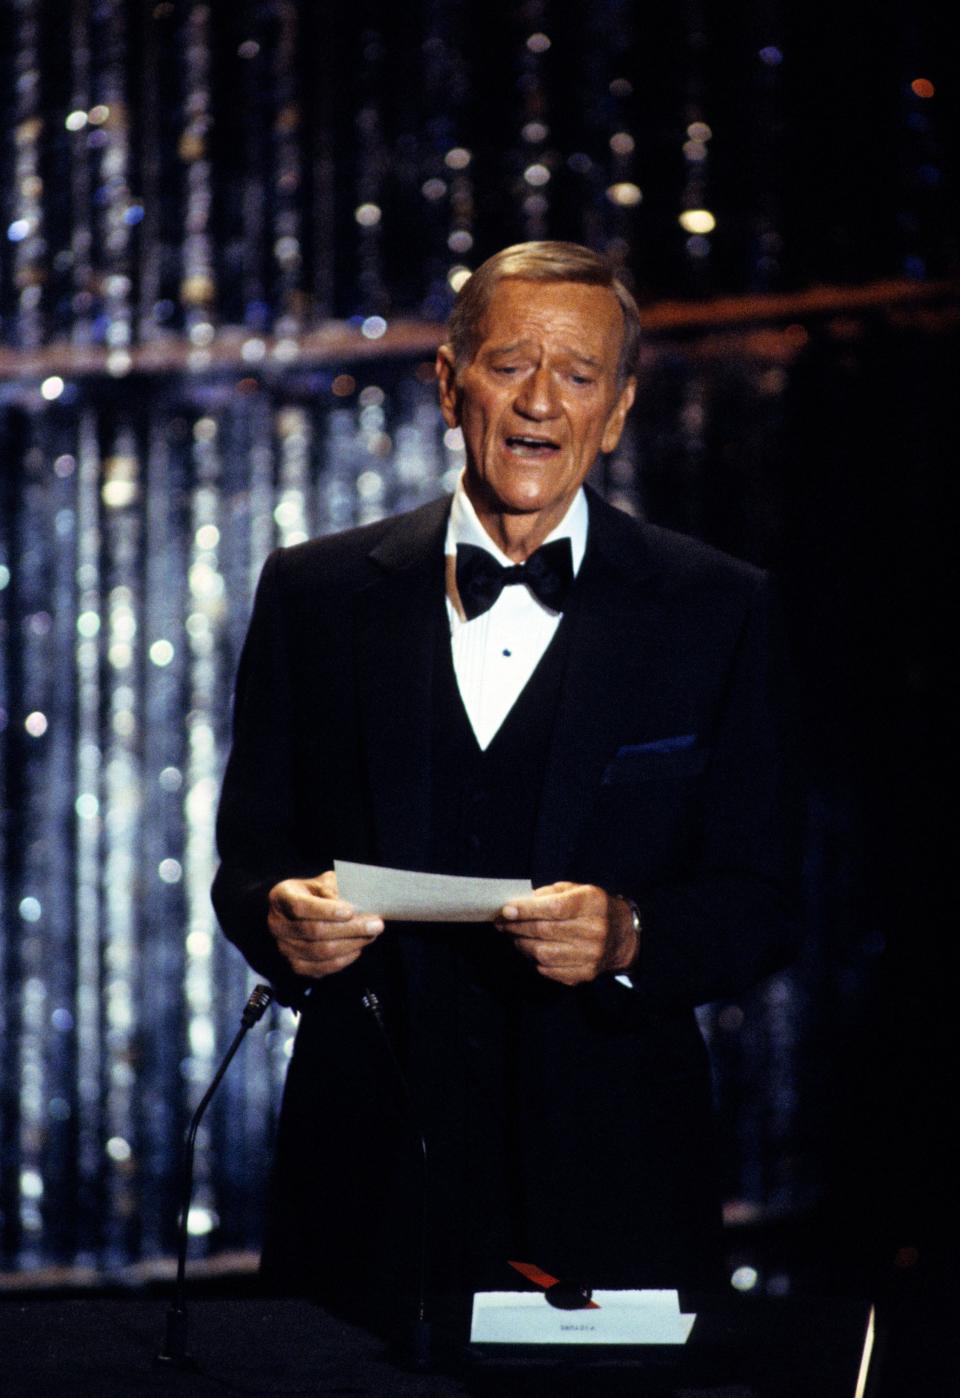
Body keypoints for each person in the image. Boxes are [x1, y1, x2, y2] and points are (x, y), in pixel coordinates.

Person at [212, 240, 799, 1330]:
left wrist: (630, 935)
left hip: (612, 1174)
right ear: (449, 382)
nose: (540, 402)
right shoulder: (316, 594)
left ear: (618, 410)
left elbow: (763, 896)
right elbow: (250, 857)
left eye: (578, 376)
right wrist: (276, 917)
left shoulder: (717, 607)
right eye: (509, 364)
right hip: (366, 1173)